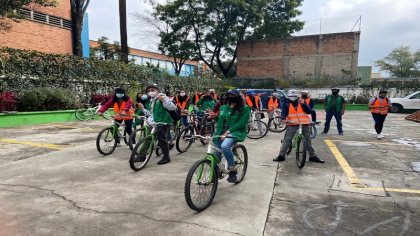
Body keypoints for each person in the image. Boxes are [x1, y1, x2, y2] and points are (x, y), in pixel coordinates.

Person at [209, 90, 250, 182]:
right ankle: (217, 172)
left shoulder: (245, 108)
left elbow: (241, 123)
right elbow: (220, 120)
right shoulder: (223, 107)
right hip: (220, 132)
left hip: (235, 132)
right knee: (216, 153)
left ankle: (232, 170)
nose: (230, 97)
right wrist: (215, 117)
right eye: (228, 95)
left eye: (232, 95)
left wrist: (228, 132)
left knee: (225, 146)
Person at [273, 90, 324, 163]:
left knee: (308, 140)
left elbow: (308, 111)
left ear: (298, 96)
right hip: (292, 124)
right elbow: (284, 112)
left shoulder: (302, 101)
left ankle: (312, 156)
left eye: (295, 96)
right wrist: (283, 119)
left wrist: (303, 104)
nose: (293, 98)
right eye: (291, 96)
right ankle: (281, 156)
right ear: (288, 96)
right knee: (287, 140)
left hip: (304, 123)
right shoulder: (286, 103)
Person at [138, 84, 177, 165]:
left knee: (161, 139)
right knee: (148, 138)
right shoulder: (151, 100)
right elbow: (150, 113)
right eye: (148, 91)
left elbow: (173, 107)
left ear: (157, 90)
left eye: (152, 90)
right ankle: (142, 155)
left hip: (163, 122)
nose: (150, 92)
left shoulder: (162, 96)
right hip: (153, 122)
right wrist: (142, 109)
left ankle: (166, 157)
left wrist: (163, 100)